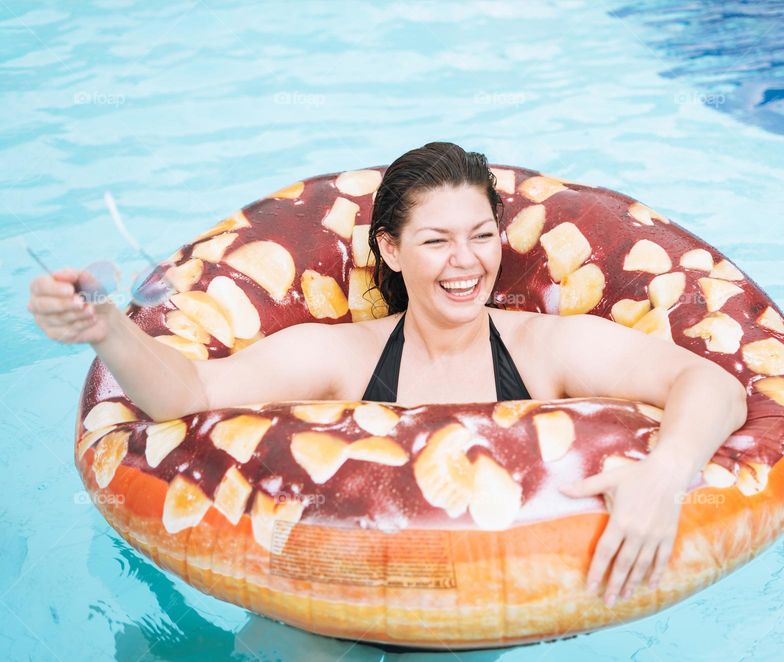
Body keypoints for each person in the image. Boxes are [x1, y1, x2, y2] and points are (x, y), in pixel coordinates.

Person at [26, 141, 747, 608]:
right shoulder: (344, 358)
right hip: (337, 599)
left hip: (493, 605)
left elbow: (715, 385)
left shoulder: (543, 349)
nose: (466, 262)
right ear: (392, 252)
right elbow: (189, 396)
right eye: (436, 241)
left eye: (482, 236)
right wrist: (107, 327)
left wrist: (663, 473)